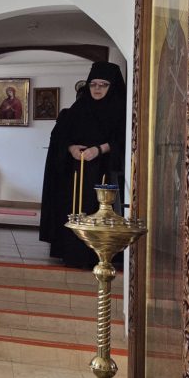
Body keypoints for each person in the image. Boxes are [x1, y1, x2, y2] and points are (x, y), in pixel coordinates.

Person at [39, 62, 127, 268]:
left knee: (99, 210)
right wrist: (71, 149)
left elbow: (124, 138)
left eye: (103, 85)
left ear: (112, 86)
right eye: (93, 84)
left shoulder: (121, 110)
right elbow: (60, 136)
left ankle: (100, 256)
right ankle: (72, 254)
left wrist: (99, 149)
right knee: (74, 210)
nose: (97, 89)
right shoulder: (78, 108)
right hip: (75, 173)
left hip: (104, 172)